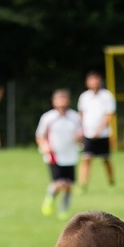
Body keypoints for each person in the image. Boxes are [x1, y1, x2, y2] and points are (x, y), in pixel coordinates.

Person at [36, 89, 82, 220]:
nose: (61, 102)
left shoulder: (75, 117)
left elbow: (80, 134)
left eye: (64, 99)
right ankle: (50, 198)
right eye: (59, 99)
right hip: (55, 155)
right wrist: (44, 146)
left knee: (68, 185)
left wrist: (80, 138)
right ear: (53, 102)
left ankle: (64, 208)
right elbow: (40, 136)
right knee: (58, 183)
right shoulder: (48, 117)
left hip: (71, 155)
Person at [77, 72, 117, 189]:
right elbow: (81, 114)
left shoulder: (107, 96)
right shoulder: (84, 97)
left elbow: (109, 115)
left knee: (106, 159)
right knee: (86, 158)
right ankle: (83, 183)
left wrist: (99, 130)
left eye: (96, 80)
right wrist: (81, 129)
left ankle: (111, 180)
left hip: (103, 134)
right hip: (88, 133)